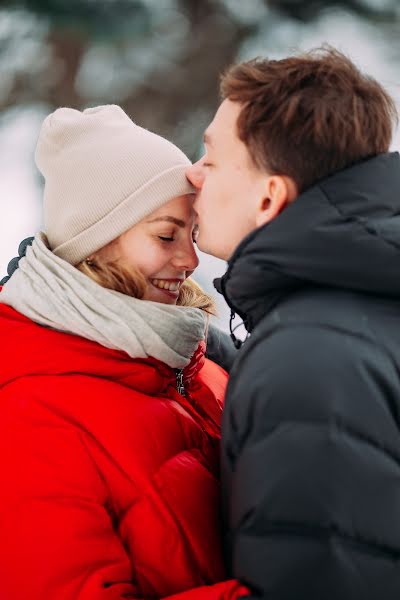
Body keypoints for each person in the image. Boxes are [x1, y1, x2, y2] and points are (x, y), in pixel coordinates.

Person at [0, 105, 248, 600]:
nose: (190, 259)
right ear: (95, 241)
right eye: (165, 234)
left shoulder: (191, 362)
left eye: (191, 233)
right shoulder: (30, 413)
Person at [186, 47, 400, 598]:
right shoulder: (361, 306)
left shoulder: (308, 357)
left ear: (269, 196)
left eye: (210, 158)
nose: (193, 174)